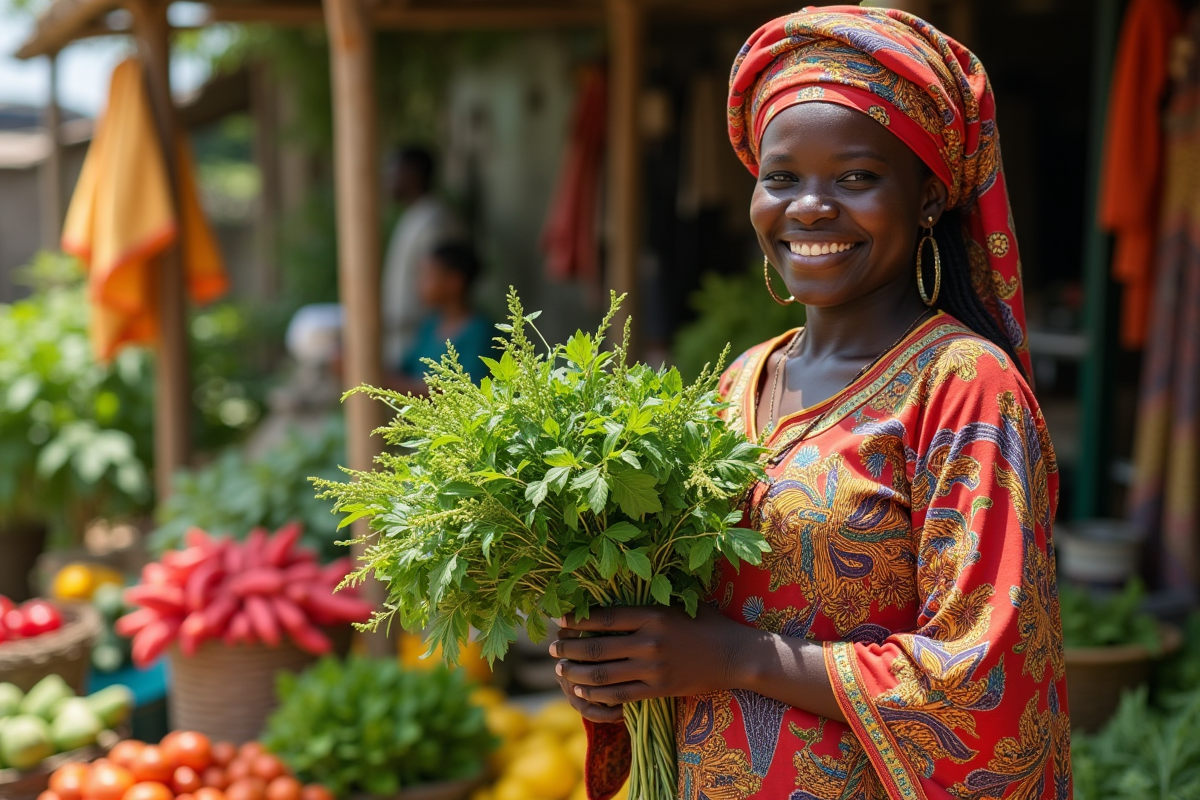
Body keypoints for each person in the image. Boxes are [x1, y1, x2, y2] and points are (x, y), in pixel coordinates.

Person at [551, 7, 1070, 800]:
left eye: (855, 178)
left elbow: (982, 677)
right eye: (781, 177)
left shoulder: (964, 388)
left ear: (929, 197)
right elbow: (683, 619)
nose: (810, 208)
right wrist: (612, 657)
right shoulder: (737, 383)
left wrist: (734, 656)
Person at [381, 146, 462, 366]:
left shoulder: (433, 220)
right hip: (407, 339)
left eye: (393, 172)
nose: (388, 180)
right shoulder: (414, 215)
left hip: (423, 340)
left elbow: (439, 286)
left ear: (412, 174)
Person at [389, 241, 493, 395]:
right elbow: (403, 373)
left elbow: (457, 395)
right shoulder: (430, 326)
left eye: (427, 275)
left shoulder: (481, 334)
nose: (418, 283)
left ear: (454, 281)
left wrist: (375, 380)